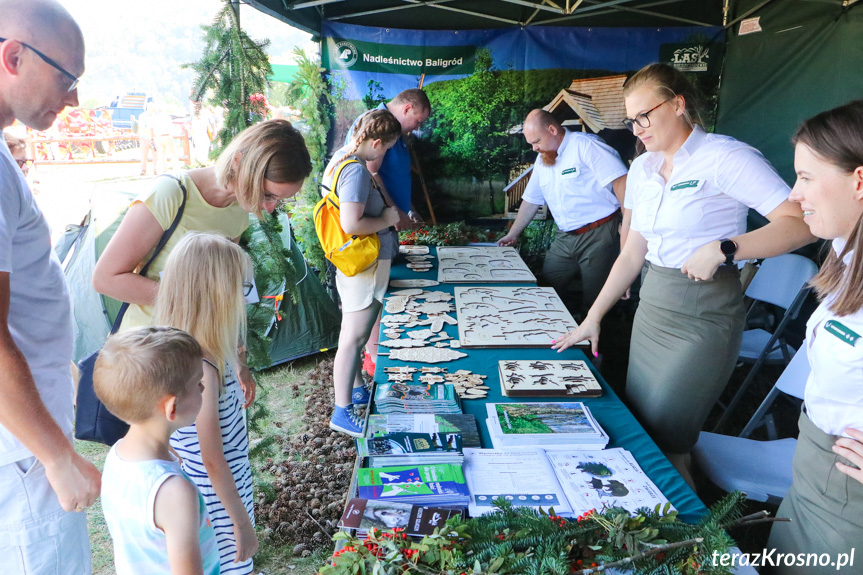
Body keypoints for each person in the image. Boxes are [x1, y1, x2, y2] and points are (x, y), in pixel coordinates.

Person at [552, 63, 815, 485]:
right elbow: (632, 251)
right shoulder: (641, 169)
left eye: (644, 116)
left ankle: (688, 545)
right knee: (644, 429)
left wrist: (726, 248)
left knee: (671, 440)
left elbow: (800, 223)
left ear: (678, 104)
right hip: (653, 307)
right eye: (630, 120)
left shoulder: (725, 156)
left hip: (705, 313)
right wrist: (593, 317)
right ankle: (654, 532)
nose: (636, 128)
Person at [93, 118, 312, 408]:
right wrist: (191, 302)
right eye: (267, 194)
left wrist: (238, 359)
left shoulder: (238, 213)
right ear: (239, 162)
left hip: (198, 360)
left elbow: (224, 293)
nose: (270, 208)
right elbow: (106, 278)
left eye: (278, 201)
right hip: (149, 355)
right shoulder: (171, 193)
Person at [0, 2, 100, 572]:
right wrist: (56, 456)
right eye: (67, 78)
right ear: (13, 56)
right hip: (20, 457)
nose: (74, 99)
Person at [765, 100, 863, 574]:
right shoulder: (845, 257)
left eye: (806, 177)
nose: (794, 192)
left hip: (850, 502)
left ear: (858, 181)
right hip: (808, 471)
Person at [155, 233, 259, 572]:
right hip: (218, 501)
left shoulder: (196, 350)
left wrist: (239, 365)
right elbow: (213, 460)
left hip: (225, 489)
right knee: (230, 565)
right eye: (240, 289)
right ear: (215, 297)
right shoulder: (203, 370)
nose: (245, 299)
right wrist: (241, 523)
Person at [94, 326, 220, 575]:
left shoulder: (118, 456)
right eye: (198, 383)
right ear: (172, 407)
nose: (203, 389)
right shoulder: (174, 491)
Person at [498, 109, 628, 316]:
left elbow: (622, 183)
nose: (534, 148)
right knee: (545, 290)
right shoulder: (543, 159)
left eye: (537, 141)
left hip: (600, 234)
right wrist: (512, 234)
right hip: (563, 238)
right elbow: (531, 200)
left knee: (596, 301)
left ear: (552, 129)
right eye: (531, 144)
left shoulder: (586, 146)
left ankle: (594, 347)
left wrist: (627, 224)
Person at [327, 109, 401, 436]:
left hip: (359, 266)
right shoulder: (355, 171)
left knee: (354, 335)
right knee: (353, 339)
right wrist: (387, 220)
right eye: (385, 149)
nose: (383, 155)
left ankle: (356, 390)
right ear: (375, 141)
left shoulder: (340, 159)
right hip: (365, 267)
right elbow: (351, 224)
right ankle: (341, 412)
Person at [346, 89, 430, 375]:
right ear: (406, 109)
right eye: (417, 121)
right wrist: (394, 215)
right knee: (373, 296)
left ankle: (376, 352)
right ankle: (373, 356)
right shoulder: (378, 128)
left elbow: (394, 177)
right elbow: (372, 173)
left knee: (380, 291)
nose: (418, 128)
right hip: (377, 228)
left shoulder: (394, 133)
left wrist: (408, 209)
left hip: (387, 222)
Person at [152, 102, 179, 174]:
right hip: (167, 136)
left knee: (161, 155)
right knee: (173, 153)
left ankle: (164, 170)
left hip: (159, 137)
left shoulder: (155, 117)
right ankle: (176, 168)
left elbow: (153, 128)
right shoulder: (166, 116)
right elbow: (170, 127)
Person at [137, 103, 157, 176]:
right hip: (145, 138)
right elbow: (142, 127)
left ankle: (156, 169)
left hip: (154, 138)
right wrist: (152, 133)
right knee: (144, 155)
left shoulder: (155, 116)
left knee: (155, 154)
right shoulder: (142, 116)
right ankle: (143, 170)